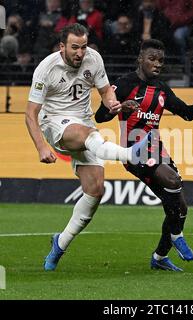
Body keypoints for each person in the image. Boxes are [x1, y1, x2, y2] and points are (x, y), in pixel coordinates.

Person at [25, 23, 150, 271]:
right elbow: (30, 113)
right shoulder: (46, 68)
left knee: (95, 191)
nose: (80, 53)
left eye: (83, 47)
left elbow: (105, 92)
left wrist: (114, 104)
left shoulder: (94, 59)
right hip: (54, 124)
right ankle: (129, 155)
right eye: (74, 47)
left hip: (84, 124)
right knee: (89, 135)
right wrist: (41, 147)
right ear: (62, 47)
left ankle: (59, 244)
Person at [95, 39, 193, 271]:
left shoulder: (161, 89)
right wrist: (120, 107)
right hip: (133, 150)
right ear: (140, 59)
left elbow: (186, 115)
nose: (157, 64)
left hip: (157, 149)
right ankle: (177, 235)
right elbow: (100, 117)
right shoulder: (124, 84)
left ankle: (159, 258)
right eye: (152, 59)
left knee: (180, 207)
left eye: (161, 60)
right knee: (172, 180)